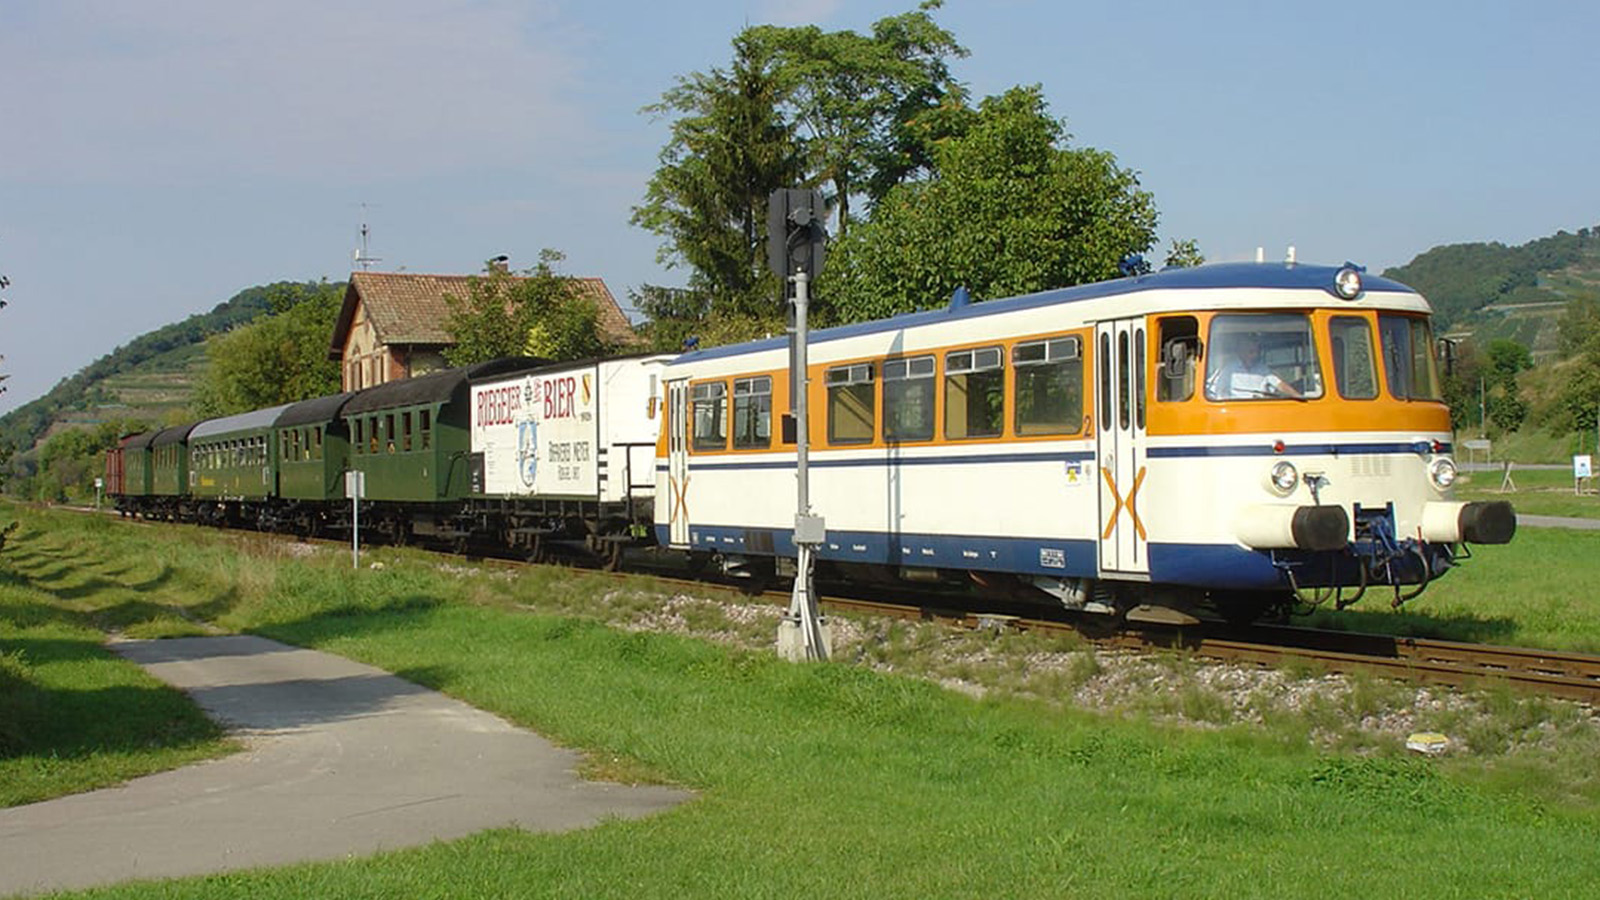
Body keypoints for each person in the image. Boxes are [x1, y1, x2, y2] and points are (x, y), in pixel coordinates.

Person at [1207, 334, 1301, 399]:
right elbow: (1218, 391)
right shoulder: (1228, 370)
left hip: (1260, 408)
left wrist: (1298, 396)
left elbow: (1279, 384)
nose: (1255, 355)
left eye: (1256, 351)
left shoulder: (1262, 369)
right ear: (1241, 352)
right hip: (1236, 411)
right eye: (1251, 351)